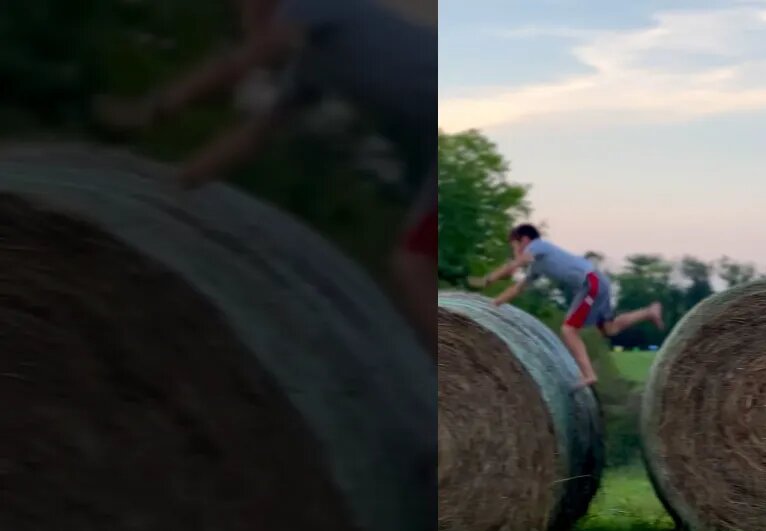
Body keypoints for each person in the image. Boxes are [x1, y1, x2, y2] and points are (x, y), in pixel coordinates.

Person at [93, 0, 438, 352]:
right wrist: (175, 184)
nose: (245, 19)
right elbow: (252, 136)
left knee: (411, 266)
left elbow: (239, 63)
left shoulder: (316, 6)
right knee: (419, 264)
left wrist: (149, 111)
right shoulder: (309, 68)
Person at [470, 224, 665, 388]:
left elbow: (519, 262)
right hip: (596, 283)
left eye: (514, 245)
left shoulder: (538, 246)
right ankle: (649, 312)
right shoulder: (537, 264)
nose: (514, 251)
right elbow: (518, 288)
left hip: (591, 284)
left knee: (569, 329)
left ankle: (588, 374)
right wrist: (493, 304)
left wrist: (489, 279)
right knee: (609, 329)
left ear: (525, 240)